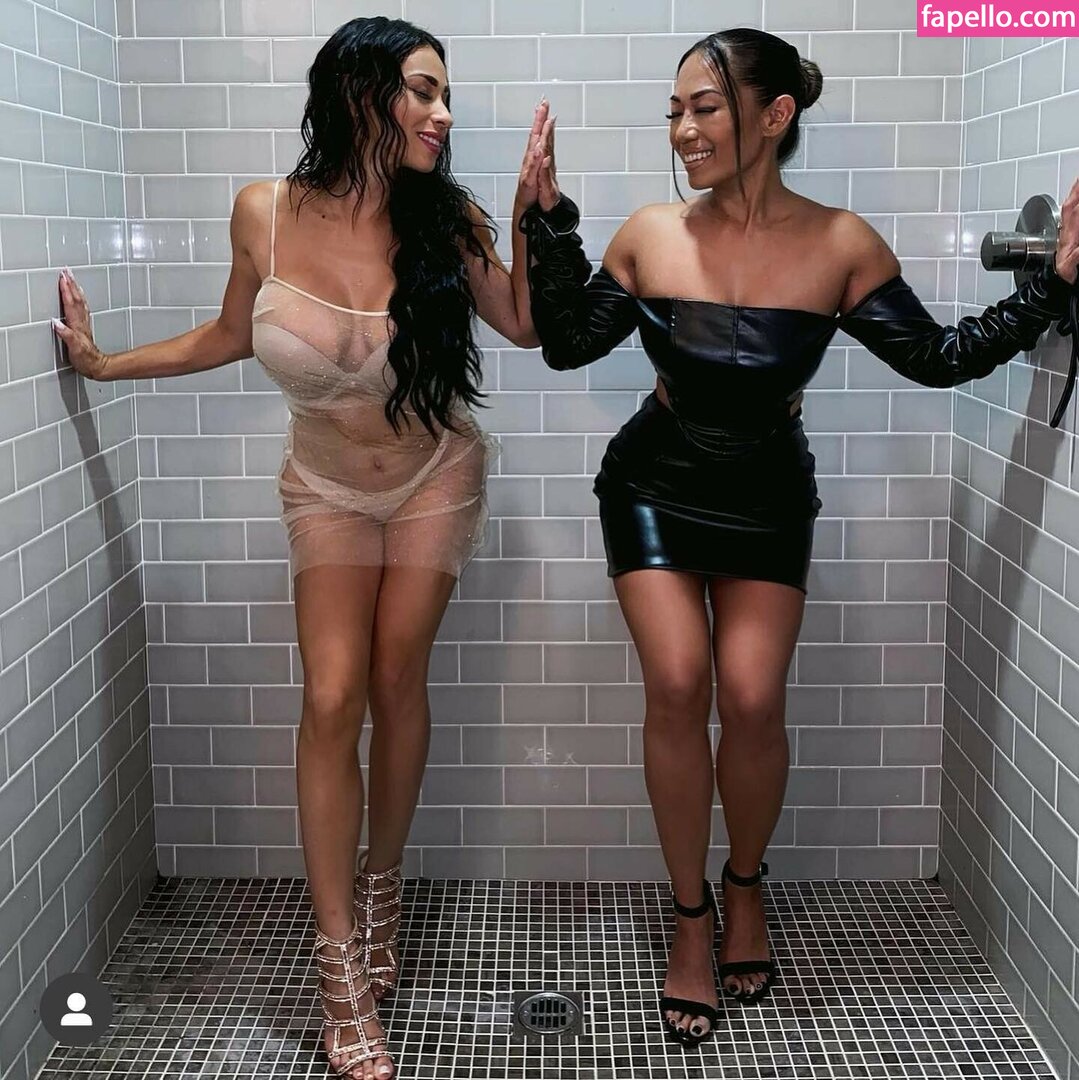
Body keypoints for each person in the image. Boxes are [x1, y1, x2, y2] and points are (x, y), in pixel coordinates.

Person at [517, 26, 1078, 1049]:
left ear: (773, 116)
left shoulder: (839, 244)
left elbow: (937, 357)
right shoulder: (648, 233)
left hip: (769, 495)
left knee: (750, 699)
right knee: (678, 683)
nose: (682, 130)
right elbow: (565, 344)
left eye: (704, 108)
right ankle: (689, 918)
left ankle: (744, 888)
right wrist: (549, 223)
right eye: (675, 111)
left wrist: (1052, 286)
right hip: (651, 485)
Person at [53, 17, 546, 1080]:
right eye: (422, 89)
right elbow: (230, 334)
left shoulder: (445, 217)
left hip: (433, 474)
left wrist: (526, 216)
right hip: (324, 485)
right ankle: (337, 968)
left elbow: (523, 324)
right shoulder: (262, 213)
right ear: (360, 94)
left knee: (395, 678)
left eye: (444, 93)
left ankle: (384, 888)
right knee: (330, 697)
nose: (442, 112)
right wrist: (105, 364)